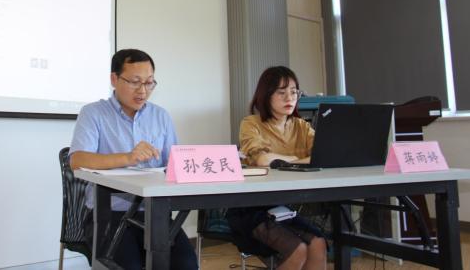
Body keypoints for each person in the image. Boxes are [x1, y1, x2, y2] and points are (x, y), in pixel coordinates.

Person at [69, 48, 197, 270]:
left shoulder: (161, 116)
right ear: (114, 79)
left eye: (149, 83)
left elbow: (174, 165)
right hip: (109, 215)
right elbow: (77, 160)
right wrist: (128, 157)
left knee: (186, 264)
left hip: (155, 214)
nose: (143, 90)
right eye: (135, 82)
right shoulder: (93, 113)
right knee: (129, 266)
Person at [227, 66, 327, 270]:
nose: (289, 98)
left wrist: (285, 160)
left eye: (294, 92)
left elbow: (323, 155)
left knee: (318, 243)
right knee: (298, 249)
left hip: (283, 206)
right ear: (266, 95)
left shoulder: (301, 126)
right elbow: (263, 159)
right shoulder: (251, 123)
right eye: (281, 92)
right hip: (251, 207)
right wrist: (298, 158)